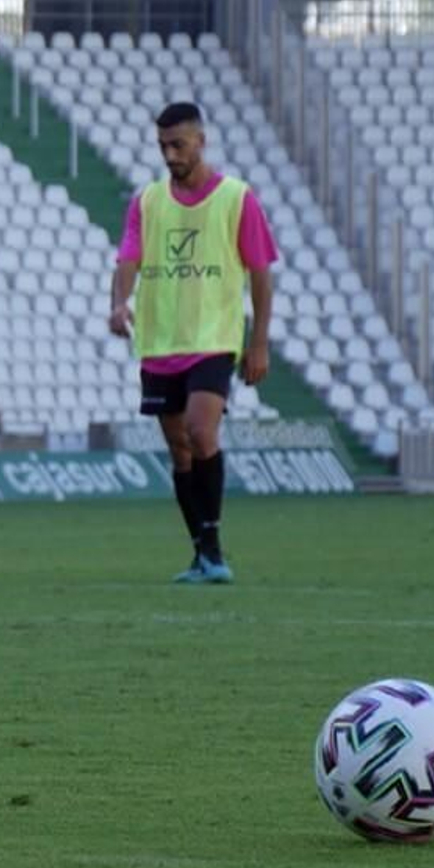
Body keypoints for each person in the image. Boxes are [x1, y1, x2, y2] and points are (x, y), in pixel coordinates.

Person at [108, 101, 276, 584]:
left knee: (202, 432)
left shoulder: (237, 199)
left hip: (213, 340)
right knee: (179, 451)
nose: (170, 155)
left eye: (178, 145)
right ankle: (201, 552)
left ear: (201, 141)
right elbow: (128, 259)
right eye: (163, 146)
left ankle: (214, 548)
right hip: (160, 343)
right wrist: (119, 303)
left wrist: (259, 343)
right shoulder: (147, 201)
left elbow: (261, 275)